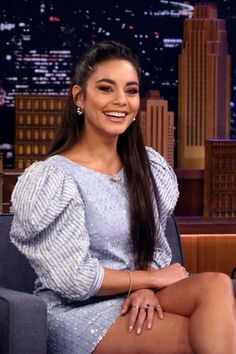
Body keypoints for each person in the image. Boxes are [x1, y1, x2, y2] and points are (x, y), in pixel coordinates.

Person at [10, 40, 236, 354]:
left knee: (217, 284)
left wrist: (148, 287)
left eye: (131, 91)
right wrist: (148, 280)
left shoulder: (149, 167)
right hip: (78, 312)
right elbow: (74, 280)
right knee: (196, 336)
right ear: (79, 97)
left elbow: (155, 248)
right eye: (106, 88)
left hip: (136, 294)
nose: (121, 101)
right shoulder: (53, 177)